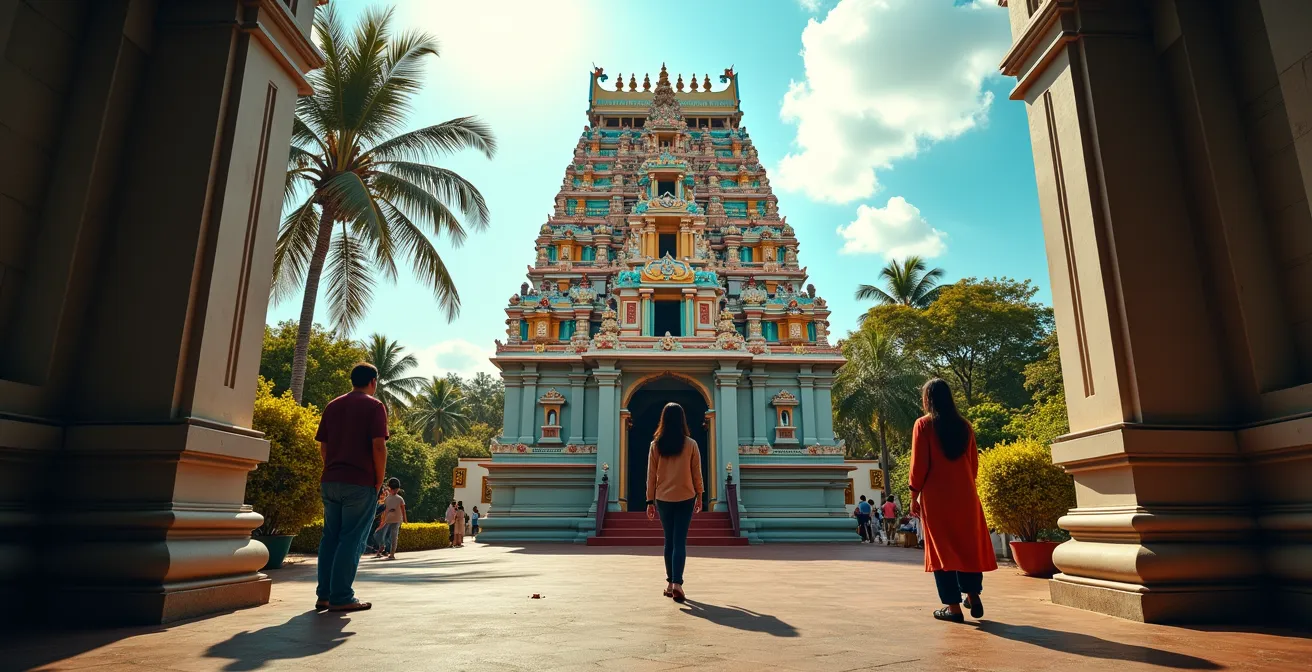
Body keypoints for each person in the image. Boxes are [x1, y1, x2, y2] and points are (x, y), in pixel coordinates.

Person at [909, 378, 997, 623]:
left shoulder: (923, 425)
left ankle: (953, 609)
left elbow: (919, 466)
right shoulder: (965, 426)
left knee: (942, 553)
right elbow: (974, 465)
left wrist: (913, 495)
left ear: (928, 400)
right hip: (966, 496)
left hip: (937, 499)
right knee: (967, 547)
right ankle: (972, 594)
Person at [314, 362, 389, 612]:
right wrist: (378, 480)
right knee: (351, 539)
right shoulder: (375, 406)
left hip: (331, 480)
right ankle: (342, 596)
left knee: (330, 538)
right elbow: (378, 446)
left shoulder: (333, 405)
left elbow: (323, 446)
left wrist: (334, 469)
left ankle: (324, 595)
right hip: (360, 482)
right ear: (373, 382)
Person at [645, 402, 704, 603]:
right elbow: (697, 472)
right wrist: (700, 495)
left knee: (668, 541)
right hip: (686, 496)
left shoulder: (655, 445)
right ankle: (677, 583)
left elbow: (651, 475)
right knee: (680, 541)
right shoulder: (691, 444)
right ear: (682, 420)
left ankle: (670, 583)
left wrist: (649, 501)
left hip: (663, 497)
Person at [375, 477, 406, 560]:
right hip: (387, 520)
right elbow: (385, 511)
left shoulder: (400, 499)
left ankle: (391, 553)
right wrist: (382, 521)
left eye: (395, 489)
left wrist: (405, 520)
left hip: (396, 520)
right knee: (379, 534)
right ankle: (382, 547)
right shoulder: (387, 499)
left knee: (393, 537)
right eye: (393, 489)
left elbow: (403, 510)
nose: (394, 491)